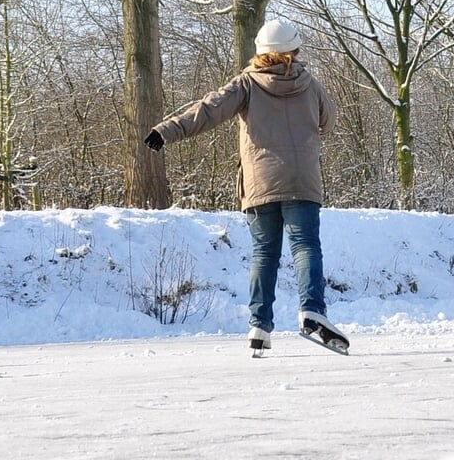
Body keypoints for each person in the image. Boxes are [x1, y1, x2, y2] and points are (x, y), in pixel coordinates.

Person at [147, 19, 345, 357]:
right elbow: (329, 120)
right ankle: (312, 310)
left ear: (260, 51)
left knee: (264, 254)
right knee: (305, 246)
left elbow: (208, 110)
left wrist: (167, 131)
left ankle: (259, 326)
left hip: (260, 181)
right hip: (302, 179)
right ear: (293, 50)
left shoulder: (247, 84)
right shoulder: (310, 84)